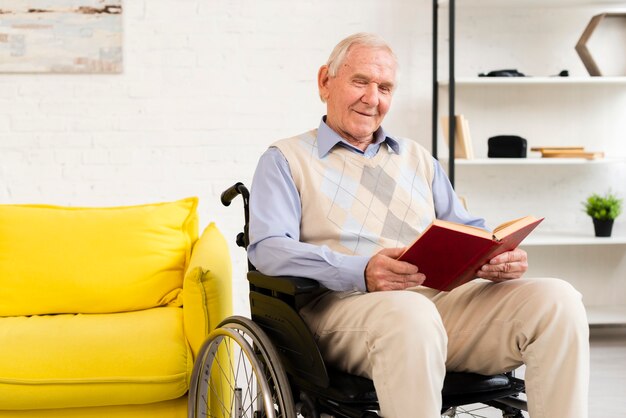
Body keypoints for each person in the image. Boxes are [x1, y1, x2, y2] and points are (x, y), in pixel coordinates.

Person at [247, 32, 589, 418]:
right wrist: (361, 270)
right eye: (360, 81)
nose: (372, 98)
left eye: (385, 87)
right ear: (325, 81)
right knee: (410, 315)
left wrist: (497, 256)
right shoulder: (285, 159)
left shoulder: (417, 157)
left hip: (436, 306)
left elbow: (466, 227)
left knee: (558, 300)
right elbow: (268, 248)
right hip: (340, 311)